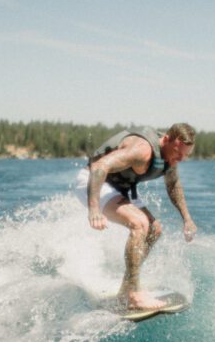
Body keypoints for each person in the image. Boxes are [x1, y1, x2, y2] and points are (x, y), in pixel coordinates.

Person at [73, 123, 197, 310]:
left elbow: (173, 186)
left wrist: (187, 219)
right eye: (178, 153)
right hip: (93, 182)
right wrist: (94, 209)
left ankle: (126, 288)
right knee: (139, 224)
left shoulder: (169, 155)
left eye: (184, 156)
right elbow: (99, 167)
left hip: (122, 188)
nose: (180, 159)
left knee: (154, 229)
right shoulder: (142, 150)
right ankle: (133, 294)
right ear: (168, 140)